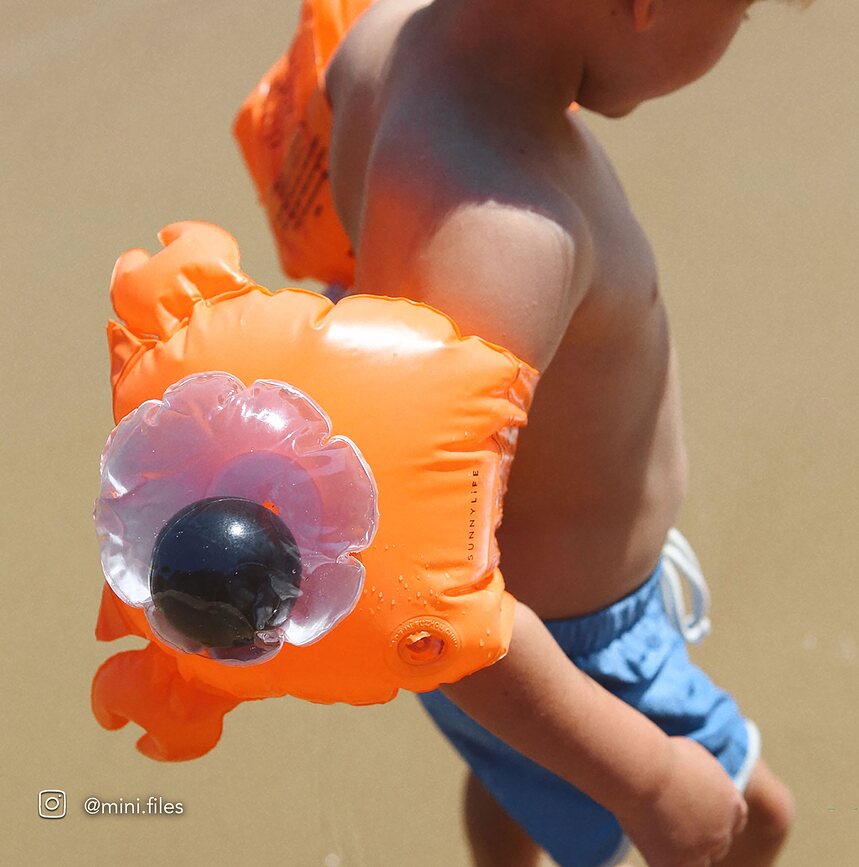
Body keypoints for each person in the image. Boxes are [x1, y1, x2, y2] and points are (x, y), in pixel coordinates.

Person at [271, 1, 799, 864]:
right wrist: (651, 780)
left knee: (510, 772)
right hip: (557, 649)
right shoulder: (502, 229)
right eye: (739, 14)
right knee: (750, 820)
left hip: (517, 635)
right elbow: (427, 585)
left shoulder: (385, 42)